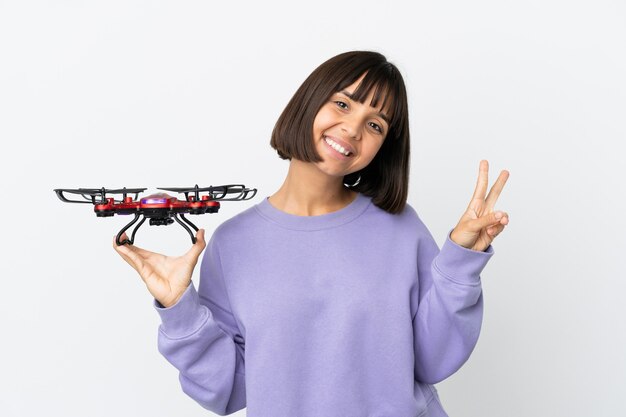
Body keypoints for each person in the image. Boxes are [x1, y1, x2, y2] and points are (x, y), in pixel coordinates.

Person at [113, 50, 510, 417]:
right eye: (342, 103)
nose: (353, 129)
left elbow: (432, 361)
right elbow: (229, 390)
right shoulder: (233, 243)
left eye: (375, 124)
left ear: (383, 147)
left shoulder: (401, 228)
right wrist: (179, 308)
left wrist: (460, 262)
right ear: (309, 102)